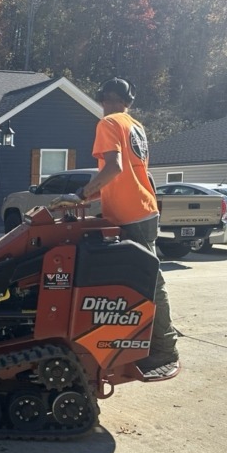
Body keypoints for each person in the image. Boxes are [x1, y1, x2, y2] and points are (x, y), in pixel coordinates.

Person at [76, 77, 179, 379]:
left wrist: (81, 194)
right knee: (141, 281)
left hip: (131, 214)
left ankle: (164, 348)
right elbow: (124, 177)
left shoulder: (108, 124)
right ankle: (143, 341)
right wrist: (85, 195)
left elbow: (114, 168)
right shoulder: (135, 126)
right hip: (143, 209)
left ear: (105, 97)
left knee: (149, 282)